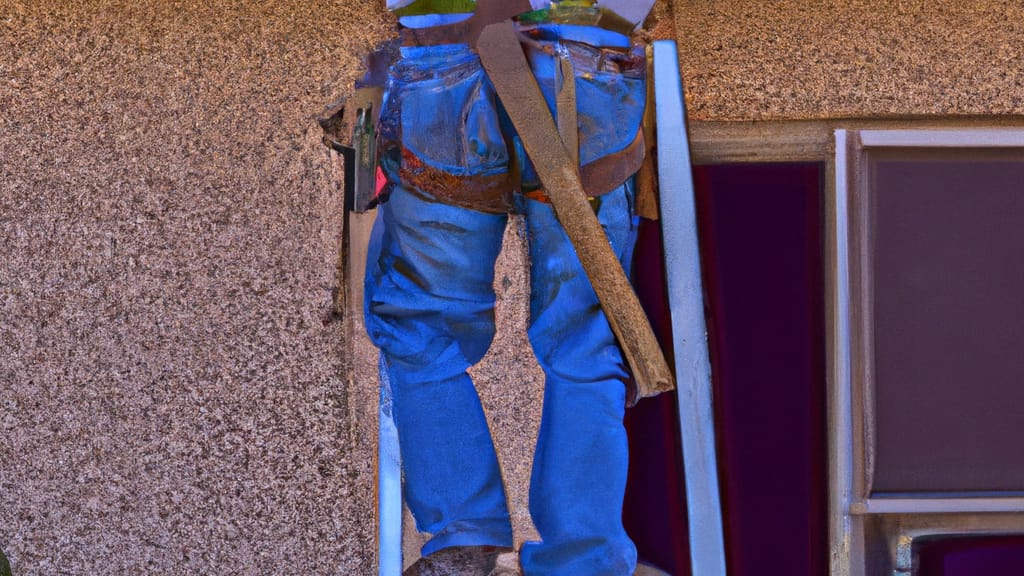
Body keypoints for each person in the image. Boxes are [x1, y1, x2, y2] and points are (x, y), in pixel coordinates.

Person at [364, 1, 656, 573]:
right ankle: (584, 558)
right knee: (586, 334)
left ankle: (462, 540)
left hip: (443, 59)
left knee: (423, 323)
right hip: (588, 59)